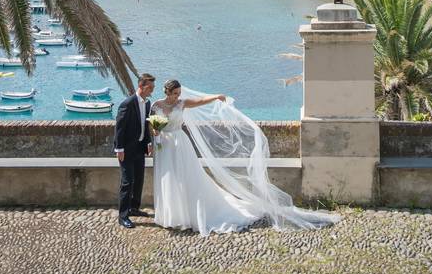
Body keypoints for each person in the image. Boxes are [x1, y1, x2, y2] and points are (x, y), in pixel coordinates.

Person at [150, 79, 339, 236]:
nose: (177, 97)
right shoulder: (156, 106)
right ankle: (172, 216)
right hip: (164, 146)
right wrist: (155, 134)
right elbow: (151, 126)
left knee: (187, 177)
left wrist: (216, 96)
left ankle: (189, 214)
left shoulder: (182, 104)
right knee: (169, 179)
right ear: (167, 92)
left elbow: (201, 101)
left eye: (179, 93)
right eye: (175, 94)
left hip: (181, 145)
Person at [114, 73, 155, 229]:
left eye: (153, 87)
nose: (151, 90)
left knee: (139, 180)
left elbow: (145, 126)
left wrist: (148, 142)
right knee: (127, 182)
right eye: (149, 87)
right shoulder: (127, 103)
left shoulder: (147, 103)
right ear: (141, 86)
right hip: (126, 150)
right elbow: (119, 128)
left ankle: (134, 208)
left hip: (140, 148)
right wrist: (119, 148)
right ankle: (123, 216)